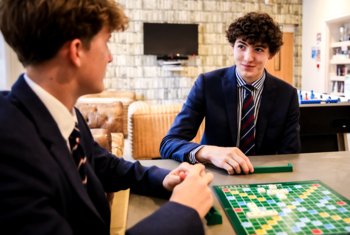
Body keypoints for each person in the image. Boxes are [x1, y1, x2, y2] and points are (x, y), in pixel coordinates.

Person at [0, 1, 213, 235]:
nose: (110, 57)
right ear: (77, 51)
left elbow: (105, 166)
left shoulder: (63, 113)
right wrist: (183, 210)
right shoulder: (9, 148)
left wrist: (164, 178)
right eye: (106, 42)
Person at [160, 12, 301, 175]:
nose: (248, 58)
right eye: (241, 46)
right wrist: (208, 152)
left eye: (259, 49)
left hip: (264, 178)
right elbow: (169, 143)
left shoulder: (287, 95)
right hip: (215, 175)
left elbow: (291, 156)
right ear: (232, 47)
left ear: (271, 54)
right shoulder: (207, 84)